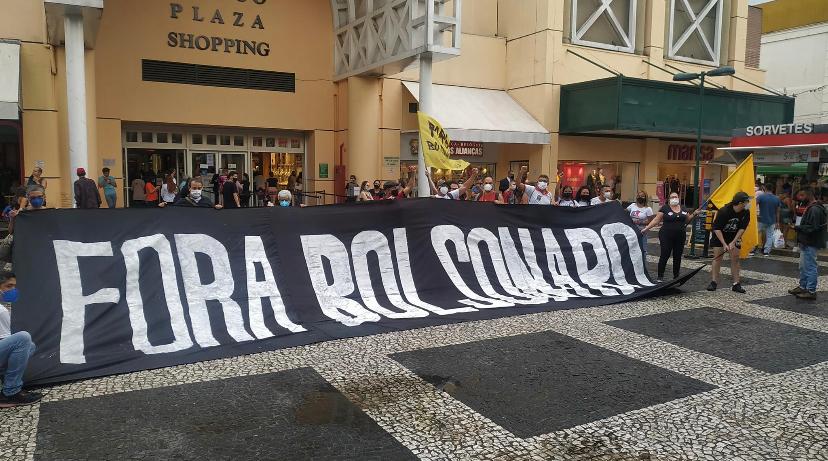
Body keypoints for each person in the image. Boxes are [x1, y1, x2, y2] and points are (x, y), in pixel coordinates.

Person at [0, 272, 41, 408]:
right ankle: (10, 392)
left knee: (30, 346)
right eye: (9, 286)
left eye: (14, 286)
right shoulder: (1, 311)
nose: (13, 290)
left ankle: (7, 382)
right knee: (23, 339)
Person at [642, 192, 699, 282]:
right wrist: (647, 228)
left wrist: (694, 214)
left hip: (680, 236)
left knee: (677, 256)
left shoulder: (683, 208)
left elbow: (687, 220)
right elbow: (656, 220)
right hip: (666, 235)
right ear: (669, 199)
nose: (674, 198)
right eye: (672, 197)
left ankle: (676, 276)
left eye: (675, 196)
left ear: (678, 198)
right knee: (665, 255)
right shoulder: (665, 208)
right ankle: (660, 277)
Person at [707, 192, 751, 293]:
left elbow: (742, 228)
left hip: (734, 236)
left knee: (735, 258)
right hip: (719, 236)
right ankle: (714, 282)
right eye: (746, 201)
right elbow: (717, 228)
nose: (748, 203)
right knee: (717, 258)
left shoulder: (746, 212)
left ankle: (736, 283)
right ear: (740, 203)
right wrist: (724, 244)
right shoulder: (724, 211)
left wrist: (733, 242)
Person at [788, 187, 827, 300]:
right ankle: (803, 286)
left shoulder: (814, 209)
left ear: (809, 195)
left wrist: (797, 227)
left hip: (811, 242)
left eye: (802, 195)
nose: (799, 198)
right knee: (803, 266)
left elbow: (813, 227)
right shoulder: (812, 207)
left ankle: (810, 291)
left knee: (810, 266)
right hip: (807, 241)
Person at [756, 184, 781, 256]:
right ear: (772, 189)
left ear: (765, 188)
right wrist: (777, 222)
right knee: (769, 236)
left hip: (761, 219)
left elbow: (754, 205)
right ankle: (766, 252)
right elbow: (778, 211)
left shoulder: (761, 197)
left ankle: (752, 250)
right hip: (772, 220)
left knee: (756, 234)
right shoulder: (777, 198)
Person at [627, 191, 654, 257]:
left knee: (643, 249)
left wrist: (640, 222)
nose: (640, 197)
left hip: (642, 232)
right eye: (639, 196)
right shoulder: (632, 205)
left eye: (642, 196)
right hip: (632, 231)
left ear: (645, 198)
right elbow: (624, 212)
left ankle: (643, 262)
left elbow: (650, 221)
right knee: (631, 248)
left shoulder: (648, 209)